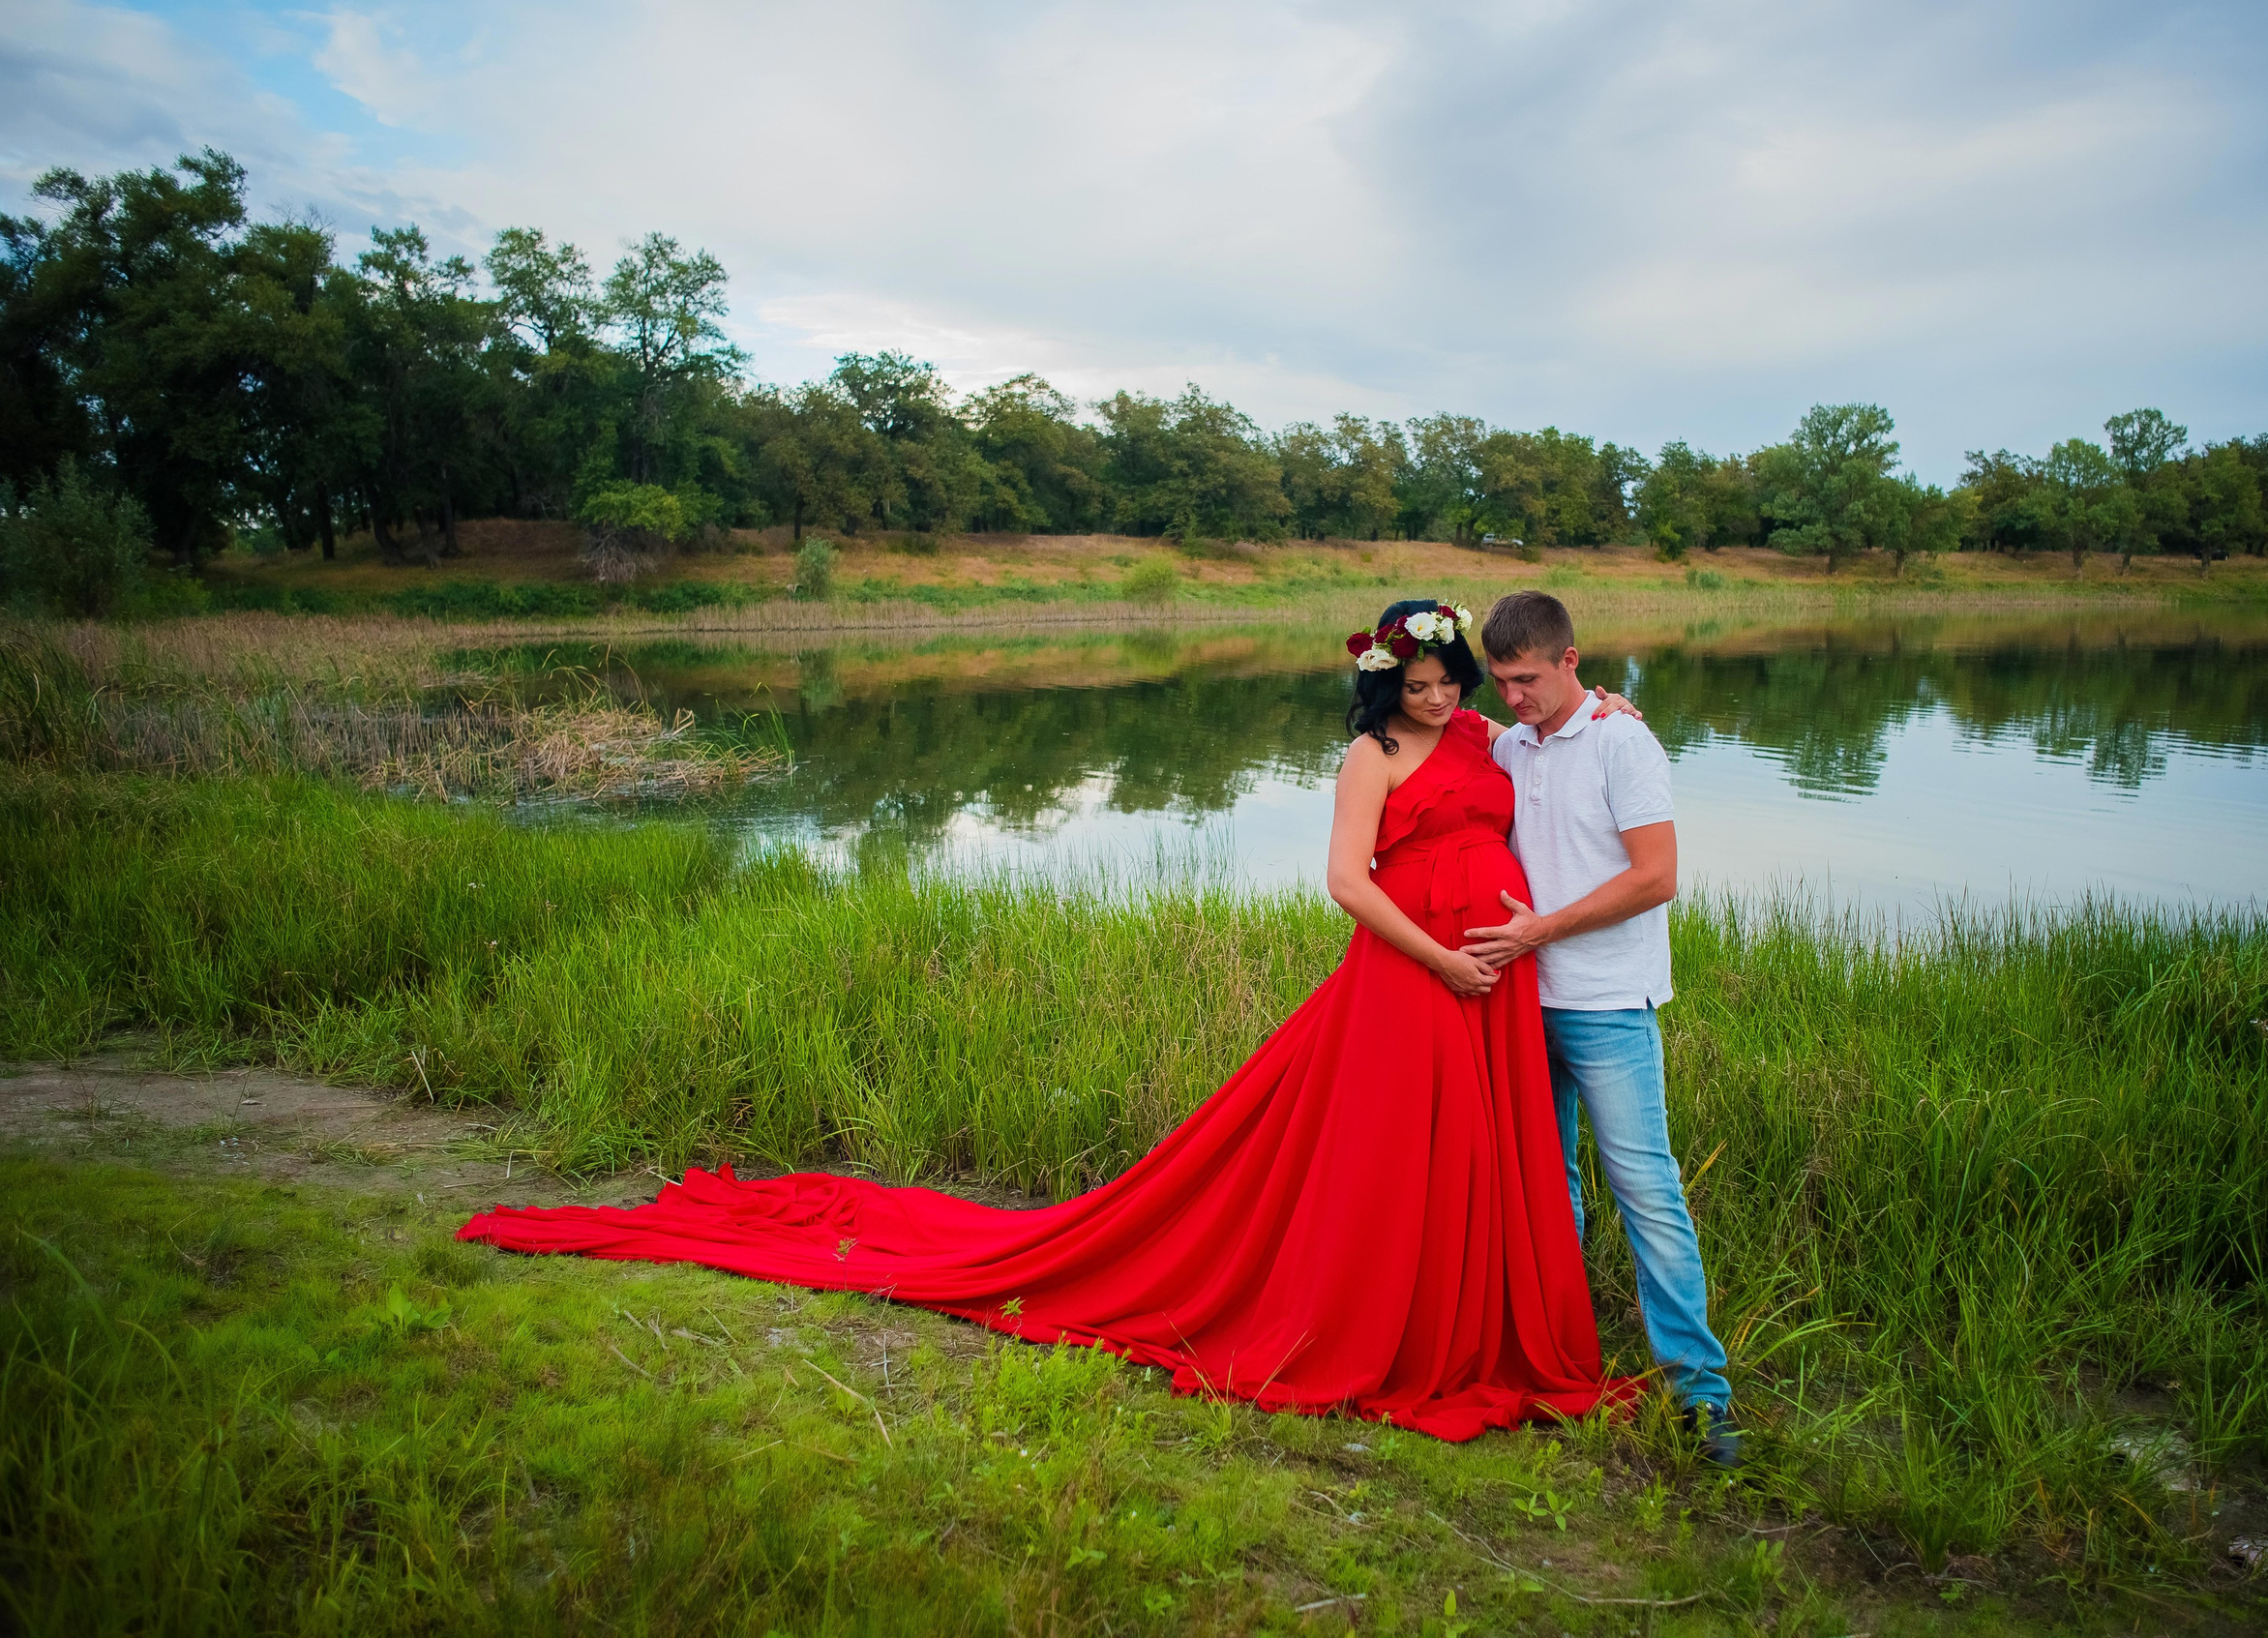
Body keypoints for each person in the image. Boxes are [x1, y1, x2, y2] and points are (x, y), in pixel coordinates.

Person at [460, 600, 1642, 1443]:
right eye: (1417, 686)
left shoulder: (1497, 735)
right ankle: (1387, 1329)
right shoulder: (1371, 754)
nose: (1435, 700)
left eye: (1449, 684)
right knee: (1390, 1152)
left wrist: (1610, 707)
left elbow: (1564, 734)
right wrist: (1443, 956)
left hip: (1503, 977)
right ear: (1385, 684)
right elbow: (1344, 883)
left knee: (1490, 1149)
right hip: (1415, 971)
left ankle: (1489, 1332)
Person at [1462, 590, 1738, 1467]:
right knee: (1548, 1187)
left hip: (1609, 1001)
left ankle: (1701, 1393)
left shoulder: (1625, 739)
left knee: (1646, 1190)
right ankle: (1565, 1358)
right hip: (1518, 1005)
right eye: (1501, 682)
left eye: (1529, 679)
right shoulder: (1506, 743)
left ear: (1572, 661)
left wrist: (1540, 928)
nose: (1513, 697)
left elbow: (1657, 877)